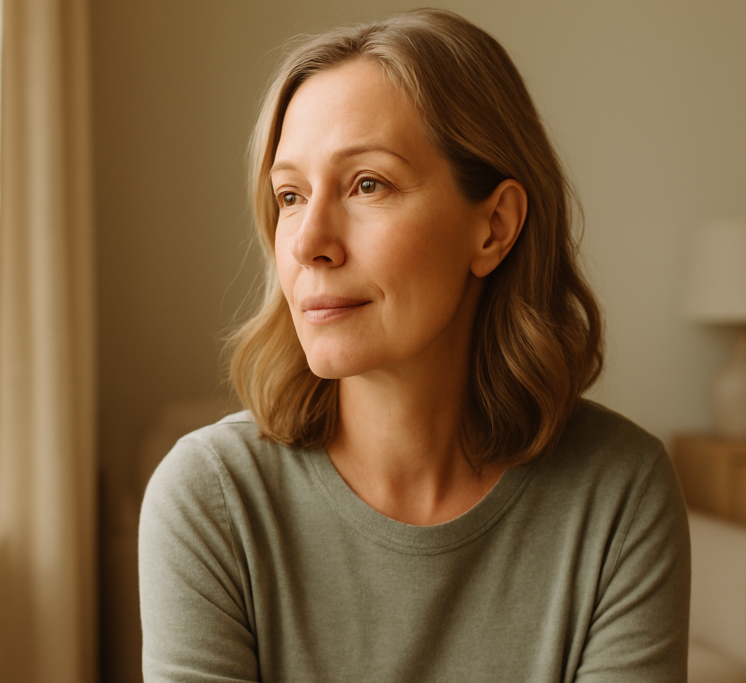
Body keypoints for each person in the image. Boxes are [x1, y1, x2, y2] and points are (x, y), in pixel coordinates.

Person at [139, 8, 690, 682]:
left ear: (494, 227)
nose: (309, 243)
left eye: (367, 184)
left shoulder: (621, 492)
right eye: (290, 195)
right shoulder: (209, 498)